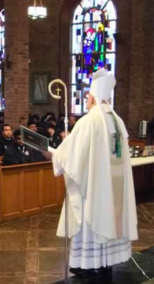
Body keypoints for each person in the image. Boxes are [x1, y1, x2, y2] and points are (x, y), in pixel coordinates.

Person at [44, 68, 137, 278]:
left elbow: (71, 155)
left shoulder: (89, 121)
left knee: (90, 221)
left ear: (93, 96)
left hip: (93, 189)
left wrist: (52, 153)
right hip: (113, 190)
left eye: (87, 96)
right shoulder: (118, 121)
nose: (86, 99)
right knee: (110, 219)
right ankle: (105, 263)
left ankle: (89, 263)